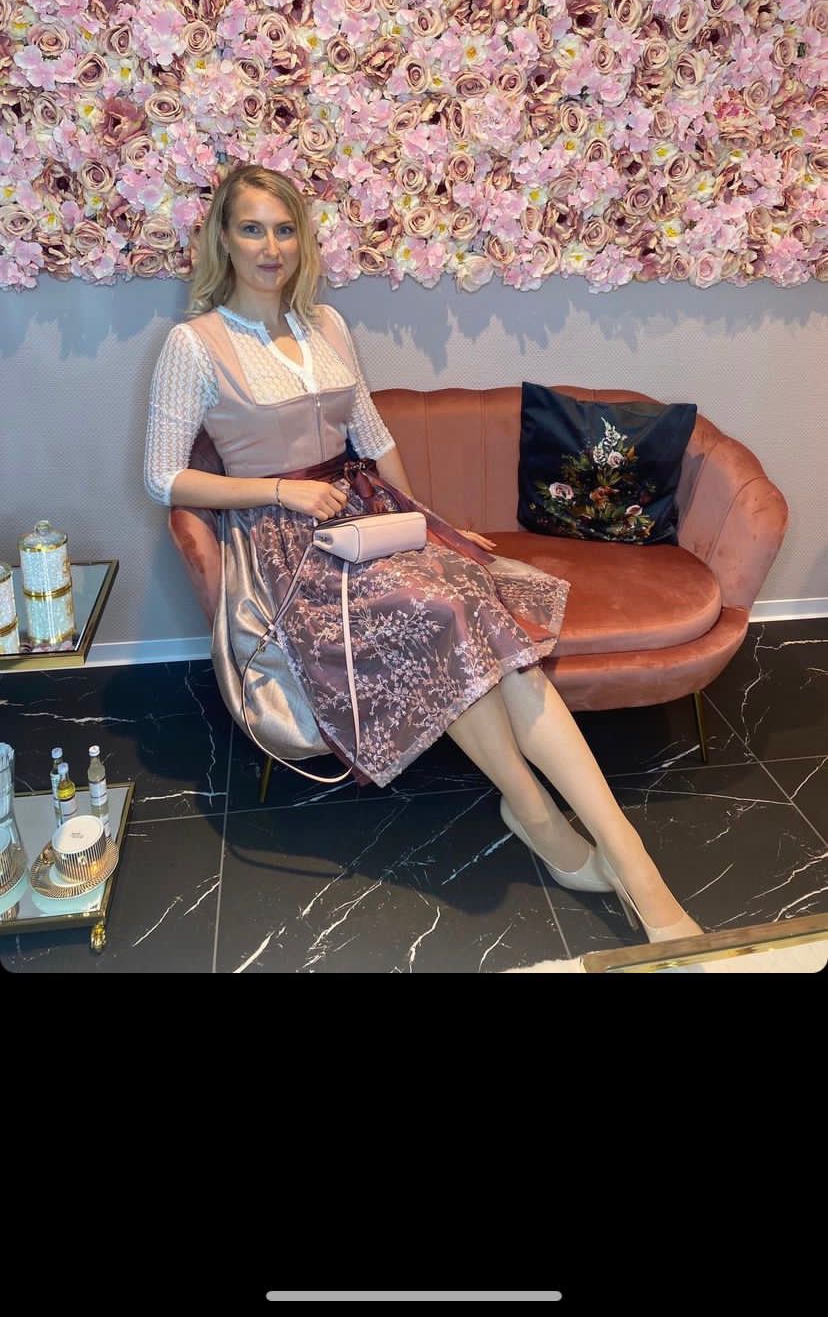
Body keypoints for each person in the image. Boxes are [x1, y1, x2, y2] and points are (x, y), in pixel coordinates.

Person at [144, 163, 702, 944]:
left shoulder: (326, 325)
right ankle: (538, 815)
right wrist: (279, 492)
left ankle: (628, 854)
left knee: (470, 596)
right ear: (223, 240)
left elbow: (372, 438)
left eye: (285, 230)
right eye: (252, 230)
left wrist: (431, 526)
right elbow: (163, 476)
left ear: (302, 240)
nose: (271, 248)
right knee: (441, 609)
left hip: (367, 516)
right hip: (287, 548)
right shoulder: (193, 343)